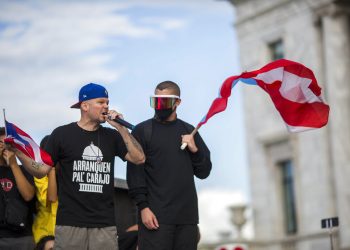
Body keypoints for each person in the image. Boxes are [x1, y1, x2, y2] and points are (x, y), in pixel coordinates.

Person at [11, 82, 145, 250]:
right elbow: (41, 170)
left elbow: (139, 158)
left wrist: (121, 128)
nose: (106, 106)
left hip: (104, 224)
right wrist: (19, 153)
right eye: (101, 102)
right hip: (70, 223)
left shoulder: (112, 136)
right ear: (85, 106)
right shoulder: (62, 134)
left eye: (107, 102)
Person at [127, 80, 212, 250]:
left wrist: (195, 150)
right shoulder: (142, 131)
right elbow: (135, 175)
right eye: (155, 101)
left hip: (187, 219)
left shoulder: (190, 131)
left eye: (164, 101)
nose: (159, 106)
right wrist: (143, 207)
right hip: (155, 218)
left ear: (177, 102)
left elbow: (204, 172)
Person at [0, 127, 35, 250]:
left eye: (7, 144)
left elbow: (28, 195)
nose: (4, 147)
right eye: (0, 143)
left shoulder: (25, 169)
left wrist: (14, 165)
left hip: (22, 236)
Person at [32, 135, 58, 243]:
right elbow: (48, 199)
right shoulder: (39, 174)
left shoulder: (69, 172)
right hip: (44, 236)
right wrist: (51, 169)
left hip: (66, 234)